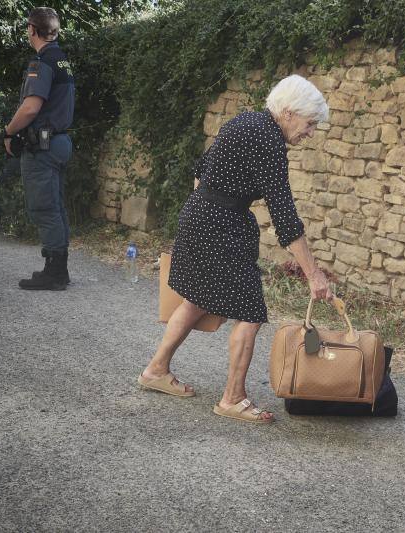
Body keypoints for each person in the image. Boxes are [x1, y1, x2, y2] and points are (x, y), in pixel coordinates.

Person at [138, 75, 333, 424]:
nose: (311, 133)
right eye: (310, 123)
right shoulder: (269, 139)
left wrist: (215, 206)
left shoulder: (246, 120)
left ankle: (156, 370)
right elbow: (285, 217)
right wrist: (314, 275)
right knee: (251, 312)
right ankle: (232, 398)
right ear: (289, 112)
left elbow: (200, 172)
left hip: (200, 214)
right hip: (220, 226)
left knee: (197, 300)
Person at [3, 7, 74, 290]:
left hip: (42, 146)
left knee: (44, 207)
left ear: (32, 29)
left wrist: (8, 132)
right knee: (55, 206)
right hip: (59, 141)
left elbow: (31, 107)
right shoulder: (63, 60)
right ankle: (59, 268)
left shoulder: (42, 62)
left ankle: (54, 273)